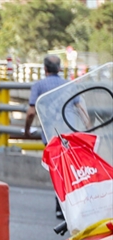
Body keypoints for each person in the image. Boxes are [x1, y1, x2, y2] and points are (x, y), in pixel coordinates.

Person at [24, 54, 89, 219]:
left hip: (51, 135)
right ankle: (75, 204)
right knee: (72, 168)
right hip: (70, 132)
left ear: (44, 68)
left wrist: (27, 130)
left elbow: (31, 112)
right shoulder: (68, 84)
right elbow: (80, 108)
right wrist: (88, 128)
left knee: (58, 170)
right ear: (59, 68)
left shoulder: (38, 86)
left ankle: (61, 206)